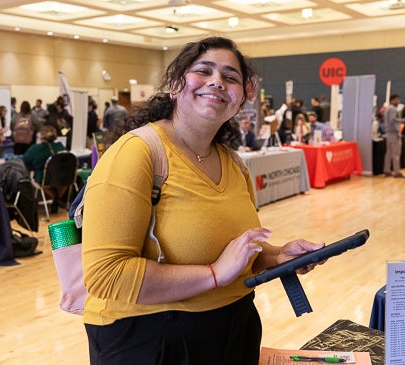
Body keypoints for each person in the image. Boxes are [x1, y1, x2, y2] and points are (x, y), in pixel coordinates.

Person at [81, 36, 324, 365]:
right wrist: (213, 275)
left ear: (241, 97)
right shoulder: (137, 153)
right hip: (152, 339)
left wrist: (278, 255)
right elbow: (107, 274)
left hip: (232, 329)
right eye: (204, 70)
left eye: (230, 76)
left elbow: (231, 252)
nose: (217, 82)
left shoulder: (233, 162)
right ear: (176, 84)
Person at [22, 124, 67, 213]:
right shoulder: (60, 146)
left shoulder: (35, 149)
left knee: (42, 179)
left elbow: (25, 160)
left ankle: (56, 199)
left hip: (45, 179)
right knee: (62, 182)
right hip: (63, 178)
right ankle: (57, 199)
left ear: (41, 135)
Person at [383, 94, 405, 178]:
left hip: (388, 133)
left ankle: (387, 170)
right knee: (396, 153)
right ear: (392, 100)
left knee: (388, 153)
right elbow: (393, 120)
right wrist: (403, 120)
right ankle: (397, 172)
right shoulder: (393, 109)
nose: (398, 102)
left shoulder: (387, 109)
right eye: (397, 100)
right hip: (393, 132)